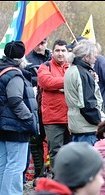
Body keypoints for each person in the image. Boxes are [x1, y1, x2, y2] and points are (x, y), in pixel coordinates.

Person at [0, 40, 39, 195]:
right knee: (16, 163)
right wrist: (28, 118)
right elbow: (15, 100)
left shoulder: (0, 70)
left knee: (3, 161)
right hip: (16, 125)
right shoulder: (15, 75)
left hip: (3, 124)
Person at [37, 39, 71, 167]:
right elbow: (47, 82)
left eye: (63, 50)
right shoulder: (45, 66)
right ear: (52, 52)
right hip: (53, 118)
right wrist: (69, 81)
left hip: (71, 117)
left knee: (71, 151)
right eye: (57, 50)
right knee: (55, 152)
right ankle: (57, 181)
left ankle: (70, 182)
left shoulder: (72, 66)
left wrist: (58, 85)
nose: (60, 53)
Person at [64, 40, 105, 146]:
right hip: (87, 128)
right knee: (89, 162)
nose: (96, 57)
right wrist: (100, 121)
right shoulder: (82, 73)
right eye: (95, 54)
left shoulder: (72, 70)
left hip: (78, 125)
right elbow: (87, 103)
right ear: (86, 56)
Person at [24, 38, 51, 181]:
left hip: (51, 106)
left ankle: (51, 170)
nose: (40, 46)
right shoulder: (27, 59)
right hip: (34, 104)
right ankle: (39, 173)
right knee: (35, 140)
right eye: (37, 43)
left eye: (43, 43)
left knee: (52, 140)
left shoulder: (51, 57)